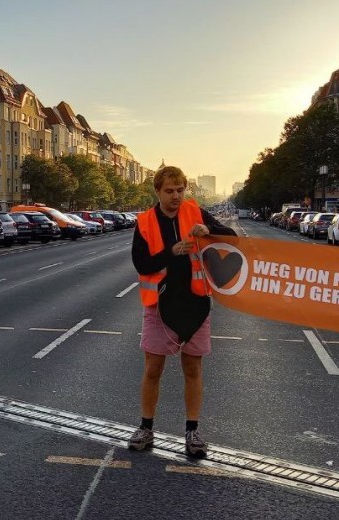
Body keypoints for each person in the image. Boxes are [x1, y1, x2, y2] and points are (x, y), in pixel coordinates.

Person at [127, 166, 237, 457]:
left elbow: (231, 236)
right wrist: (171, 252)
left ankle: (192, 432)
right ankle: (146, 428)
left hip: (195, 304)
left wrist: (209, 229)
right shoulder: (146, 221)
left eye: (180, 190)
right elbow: (142, 264)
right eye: (169, 191)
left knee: (192, 369)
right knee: (153, 370)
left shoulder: (196, 212)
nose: (176, 196)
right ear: (158, 192)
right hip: (160, 306)